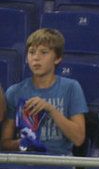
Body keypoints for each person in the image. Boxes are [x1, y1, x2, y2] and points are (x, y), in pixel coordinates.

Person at [1, 28, 86, 156]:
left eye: (43, 52)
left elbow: (78, 139)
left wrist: (50, 109)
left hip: (59, 161)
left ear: (57, 58)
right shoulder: (14, 92)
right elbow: (4, 142)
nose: (36, 58)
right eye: (31, 52)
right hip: (25, 161)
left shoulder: (71, 87)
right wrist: (21, 143)